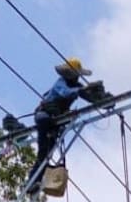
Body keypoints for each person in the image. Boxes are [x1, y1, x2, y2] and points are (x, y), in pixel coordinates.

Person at [26, 57, 108, 193]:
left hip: (55, 122)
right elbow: (65, 92)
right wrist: (81, 91)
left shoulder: (76, 86)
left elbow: (87, 96)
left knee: (47, 154)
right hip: (45, 117)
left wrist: (102, 99)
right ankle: (32, 182)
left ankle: (35, 181)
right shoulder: (61, 83)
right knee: (43, 152)